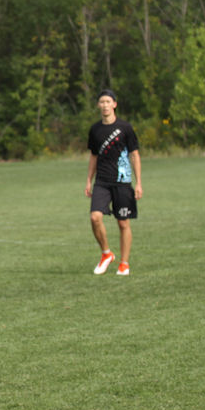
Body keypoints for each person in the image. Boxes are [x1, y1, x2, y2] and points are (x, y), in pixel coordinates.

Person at [84, 89, 142, 276]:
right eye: (102, 102)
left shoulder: (125, 128)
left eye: (108, 102)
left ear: (114, 104)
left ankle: (124, 263)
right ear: (98, 105)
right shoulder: (95, 130)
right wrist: (88, 180)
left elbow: (134, 155)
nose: (105, 105)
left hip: (122, 182)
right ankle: (106, 253)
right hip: (102, 181)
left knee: (123, 223)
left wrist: (138, 183)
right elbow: (93, 156)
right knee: (95, 217)